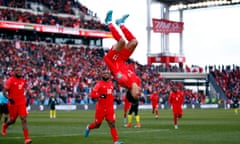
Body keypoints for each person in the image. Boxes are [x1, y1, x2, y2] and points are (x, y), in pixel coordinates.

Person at [103, 10, 141, 103]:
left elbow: (114, 70)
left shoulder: (123, 81)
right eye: (139, 95)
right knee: (134, 42)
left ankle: (109, 22)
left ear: (131, 92)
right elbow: (130, 69)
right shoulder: (138, 81)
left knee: (122, 42)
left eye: (136, 95)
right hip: (123, 59)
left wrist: (107, 59)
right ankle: (121, 23)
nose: (139, 93)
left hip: (113, 59)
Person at [84, 69, 123, 144]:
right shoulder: (99, 84)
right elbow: (92, 95)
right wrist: (100, 95)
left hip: (109, 108)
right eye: (104, 73)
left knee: (112, 124)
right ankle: (88, 127)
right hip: (101, 108)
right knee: (97, 125)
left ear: (109, 75)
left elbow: (109, 95)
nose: (105, 74)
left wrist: (116, 99)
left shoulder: (111, 84)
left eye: (106, 73)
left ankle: (116, 142)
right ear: (101, 75)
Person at [1, 66, 32, 144]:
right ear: (14, 72)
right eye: (17, 70)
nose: (19, 72)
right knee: (12, 121)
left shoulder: (23, 80)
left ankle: (27, 139)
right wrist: (9, 98)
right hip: (13, 104)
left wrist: (28, 93)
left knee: (23, 119)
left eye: (20, 70)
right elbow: (4, 91)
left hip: (21, 103)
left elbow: (25, 88)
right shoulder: (10, 80)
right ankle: (5, 125)